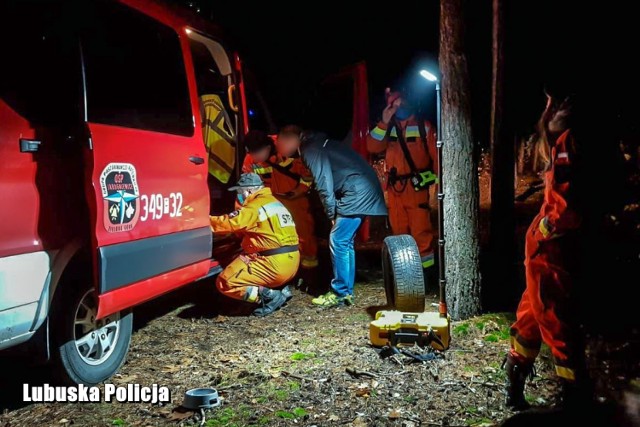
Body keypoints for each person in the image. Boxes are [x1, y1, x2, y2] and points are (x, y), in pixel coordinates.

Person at [503, 84, 610, 409]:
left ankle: (566, 397)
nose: (550, 111)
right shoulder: (574, 140)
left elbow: (566, 203)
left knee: (544, 315)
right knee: (544, 313)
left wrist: (547, 229)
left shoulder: (570, 142)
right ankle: (570, 397)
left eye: (556, 105)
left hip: (553, 247)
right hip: (552, 246)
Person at [278, 129, 387, 307]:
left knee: (338, 238)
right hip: (361, 188)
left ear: (289, 140)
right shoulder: (318, 144)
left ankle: (340, 293)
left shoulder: (310, 149)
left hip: (356, 191)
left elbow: (323, 181)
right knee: (344, 241)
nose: (279, 150)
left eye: (279, 144)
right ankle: (345, 292)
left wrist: (331, 213)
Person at [366, 88, 438, 272]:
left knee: (421, 232)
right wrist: (384, 121)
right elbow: (372, 146)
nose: (397, 107)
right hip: (395, 189)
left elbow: (439, 159)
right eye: (392, 104)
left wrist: (436, 183)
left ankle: (426, 274)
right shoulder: (388, 126)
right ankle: (405, 273)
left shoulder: (425, 126)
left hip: (416, 188)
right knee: (399, 233)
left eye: (398, 102)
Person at [209, 173, 300, 317]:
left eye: (240, 192)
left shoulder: (254, 206)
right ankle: (280, 288)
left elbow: (229, 223)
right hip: (292, 262)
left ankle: (269, 296)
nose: (240, 196)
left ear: (249, 191)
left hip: (274, 264)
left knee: (225, 282)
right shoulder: (275, 201)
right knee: (243, 257)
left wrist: (204, 220)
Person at [243, 129, 319, 275]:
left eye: (256, 153)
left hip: (295, 199)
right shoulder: (251, 159)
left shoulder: (288, 149)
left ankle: (309, 268)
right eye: (251, 153)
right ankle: (285, 266)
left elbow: (308, 175)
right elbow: (248, 182)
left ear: (266, 148)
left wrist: (298, 191)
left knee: (303, 233)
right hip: (271, 202)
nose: (253, 157)